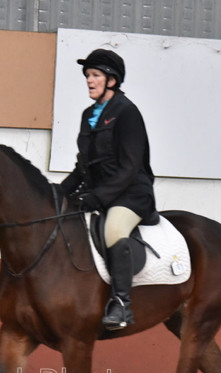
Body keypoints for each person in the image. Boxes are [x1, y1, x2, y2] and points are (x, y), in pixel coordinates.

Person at [61, 48, 156, 331]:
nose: (89, 81)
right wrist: (58, 192)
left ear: (111, 80)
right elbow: (83, 166)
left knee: (114, 229)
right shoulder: (89, 115)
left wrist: (97, 197)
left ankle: (121, 303)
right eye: (88, 75)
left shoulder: (127, 113)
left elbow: (129, 168)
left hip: (131, 194)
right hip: (100, 194)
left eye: (95, 75)